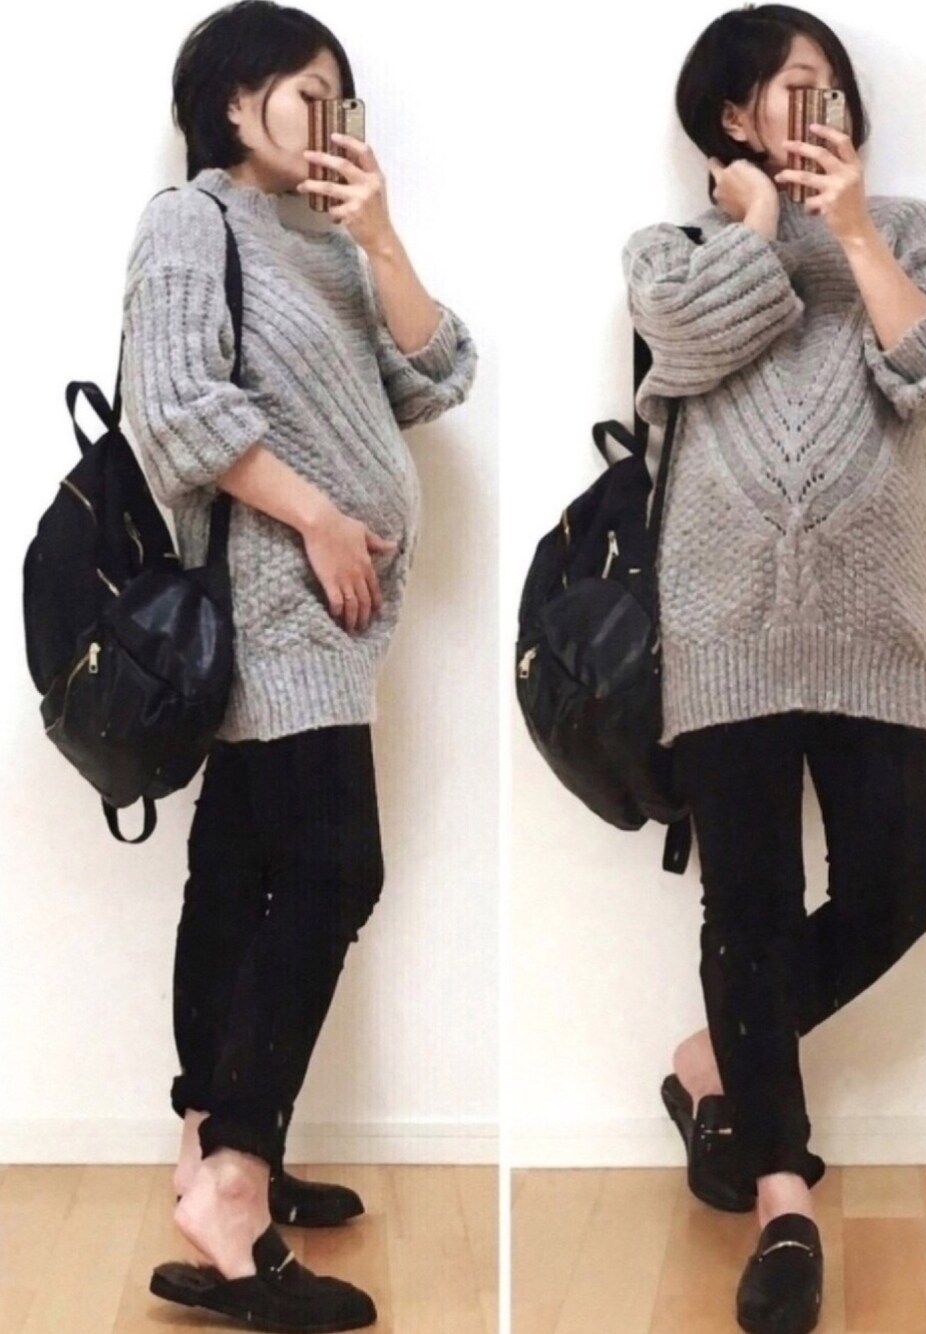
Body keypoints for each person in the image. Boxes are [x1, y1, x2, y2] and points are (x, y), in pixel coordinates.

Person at [621, 6, 926, 1332]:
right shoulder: (673, 252)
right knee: (752, 908)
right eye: (791, 85)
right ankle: (783, 1200)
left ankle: (712, 1056)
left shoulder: (910, 233)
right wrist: (766, 225)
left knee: (901, 886)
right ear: (732, 114)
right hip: (722, 626)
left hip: (876, 625)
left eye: (831, 84)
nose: (819, 103)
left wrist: (855, 234)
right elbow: (691, 346)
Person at [119, 3, 477, 1329]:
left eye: (341, 96)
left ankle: (209, 1142)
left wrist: (379, 235)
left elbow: (437, 373)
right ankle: (234, 1181)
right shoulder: (190, 222)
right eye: (300, 92)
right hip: (274, 601)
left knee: (240, 872)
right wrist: (321, 516)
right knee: (335, 868)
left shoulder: (325, 240)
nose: (327, 117)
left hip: (335, 615)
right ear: (232, 103)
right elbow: (174, 408)